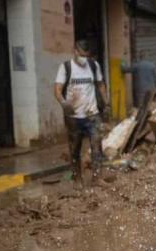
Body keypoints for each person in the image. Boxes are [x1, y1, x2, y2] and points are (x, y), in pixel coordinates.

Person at [54, 39, 109, 188]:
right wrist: (64, 103)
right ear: (75, 51)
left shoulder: (93, 65)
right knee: (75, 149)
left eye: (87, 55)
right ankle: (77, 179)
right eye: (81, 55)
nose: (84, 58)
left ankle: (97, 178)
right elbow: (57, 89)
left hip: (92, 114)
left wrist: (106, 102)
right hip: (73, 117)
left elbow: (100, 84)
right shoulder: (65, 67)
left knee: (97, 146)